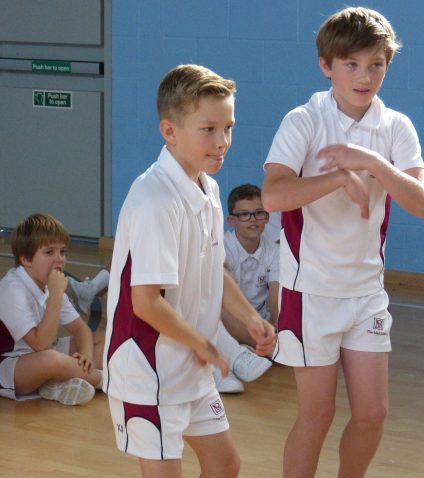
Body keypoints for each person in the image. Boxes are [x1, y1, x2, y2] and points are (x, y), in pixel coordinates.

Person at [262, 7, 424, 478]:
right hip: (309, 291)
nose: (365, 76)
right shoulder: (303, 119)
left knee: (372, 414)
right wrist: (340, 177)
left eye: (376, 64)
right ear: (326, 64)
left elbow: (421, 203)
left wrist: (372, 164)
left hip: (366, 293)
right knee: (316, 415)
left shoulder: (395, 127)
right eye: (352, 64)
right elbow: (274, 195)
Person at [103, 64, 276, 478]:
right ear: (170, 131)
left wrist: (251, 319)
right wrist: (205, 344)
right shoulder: (154, 200)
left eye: (228, 128)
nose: (223, 142)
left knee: (224, 464)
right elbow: (145, 303)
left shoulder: (209, 189)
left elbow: (213, 267)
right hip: (148, 370)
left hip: (191, 366)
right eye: (209, 129)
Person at [0, 213, 104, 405]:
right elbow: (41, 345)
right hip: (11, 366)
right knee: (50, 360)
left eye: (63, 252)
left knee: (104, 338)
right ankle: (105, 381)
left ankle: (59, 383)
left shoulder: (50, 284)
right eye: (49, 252)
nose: (60, 259)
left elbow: (82, 330)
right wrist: (56, 295)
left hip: (44, 353)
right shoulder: (12, 289)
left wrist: (86, 358)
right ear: (26, 260)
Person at [214, 184, 278, 393]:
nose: (253, 219)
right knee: (218, 303)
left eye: (259, 213)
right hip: (230, 317)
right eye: (244, 215)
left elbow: (277, 300)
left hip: (259, 320)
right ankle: (234, 356)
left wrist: (278, 330)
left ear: (267, 217)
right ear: (231, 221)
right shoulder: (223, 246)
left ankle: (249, 348)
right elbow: (228, 301)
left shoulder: (274, 250)